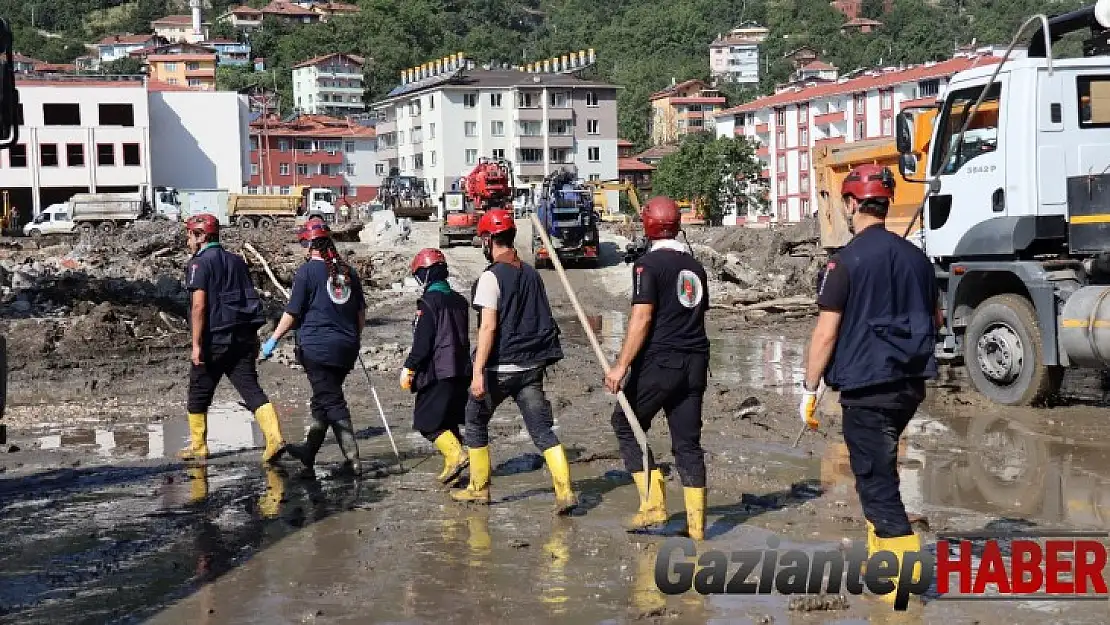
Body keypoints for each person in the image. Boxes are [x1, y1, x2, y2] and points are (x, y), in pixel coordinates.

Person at [800, 164, 940, 603]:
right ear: (885, 204)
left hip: (867, 388)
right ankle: (883, 559)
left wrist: (809, 389)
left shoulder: (844, 262)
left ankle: (900, 589)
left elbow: (826, 332)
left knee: (876, 482)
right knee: (880, 469)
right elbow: (934, 320)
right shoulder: (918, 259)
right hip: (910, 385)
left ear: (851, 204)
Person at [451, 208, 578, 514]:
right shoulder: (532, 274)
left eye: (483, 238)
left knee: (475, 421)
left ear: (489, 239)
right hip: (532, 368)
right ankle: (565, 492)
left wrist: (478, 372)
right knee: (542, 431)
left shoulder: (490, 278)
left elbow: (488, 327)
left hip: (501, 368)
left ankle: (479, 489)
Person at [604, 196, 710, 540]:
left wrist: (621, 365)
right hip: (696, 362)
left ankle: (653, 505)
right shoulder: (695, 267)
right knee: (688, 444)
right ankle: (696, 529)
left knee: (626, 423)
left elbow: (642, 317)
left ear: (647, 225)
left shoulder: (646, 266)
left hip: (662, 361)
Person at [261, 218, 367, 474]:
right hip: (346, 347)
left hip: (317, 348)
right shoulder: (348, 272)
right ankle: (309, 452)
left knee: (331, 400)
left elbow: (293, 312)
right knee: (323, 399)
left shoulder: (307, 272)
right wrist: (353, 337)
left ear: (310, 245)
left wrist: (273, 339)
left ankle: (353, 460)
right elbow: (361, 313)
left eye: (302, 244)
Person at [180, 213, 288, 464]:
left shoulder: (199, 264)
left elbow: (199, 307)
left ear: (201, 236)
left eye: (189, 235)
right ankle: (275, 439)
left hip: (215, 339)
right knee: (251, 388)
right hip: (244, 337)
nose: (187, 240)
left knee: (198, 392)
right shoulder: (237, 261)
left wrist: (196, 345)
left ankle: (199, 446)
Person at [400, 248, 472, 487]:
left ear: (427, 274)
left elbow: (423, 341)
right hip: (461, 369)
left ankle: (456, 456)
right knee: (448, 421)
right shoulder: (459, 301)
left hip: (438, 371)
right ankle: (456, 469)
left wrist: (410, 367)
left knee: (426, 421)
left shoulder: (429, 302)